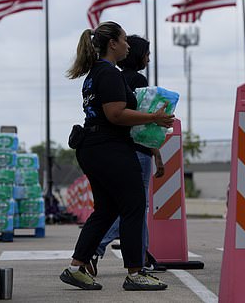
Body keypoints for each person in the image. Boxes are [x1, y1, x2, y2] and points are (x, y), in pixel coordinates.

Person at [61, 21, 173, 291]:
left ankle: (77, 267)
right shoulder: (109, 74)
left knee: (107, 210)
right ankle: (136, 272)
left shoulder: (95, 74)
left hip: (94, 147)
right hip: (109, 148)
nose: (127, 45)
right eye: (124, 40)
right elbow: (115, 114)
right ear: (112, 43)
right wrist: (154, 117)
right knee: (134, 206)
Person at [88, 35, 166, 276]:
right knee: (134, 208)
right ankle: (97, 248)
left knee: (125, 206)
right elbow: (140, 121)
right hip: (138, 149)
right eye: (147, 53)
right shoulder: (137, 80)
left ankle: (141, 255)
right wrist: (156, 151)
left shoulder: (115, 76)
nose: (148, 58)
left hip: (116, 146)